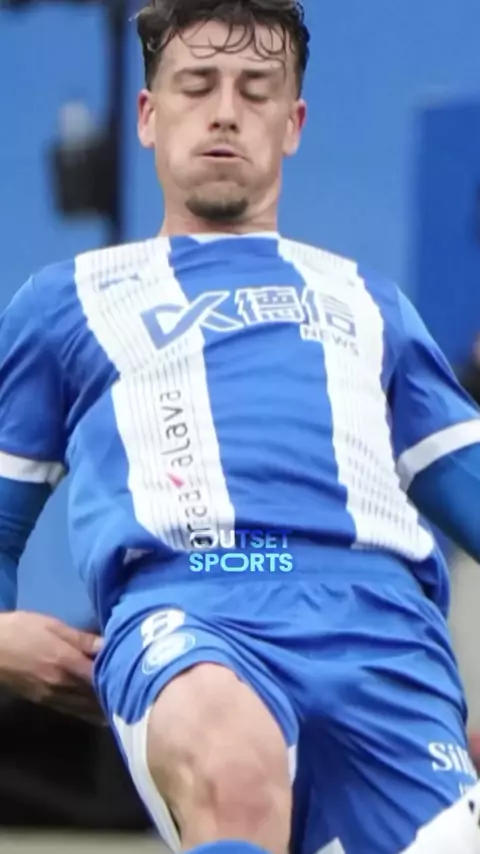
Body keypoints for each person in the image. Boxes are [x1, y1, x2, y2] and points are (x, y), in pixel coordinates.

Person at [2, 0, 480, 852]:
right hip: (194, 600)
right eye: (197, 86)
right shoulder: (63, 302)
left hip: (384, 629)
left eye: (256, 90)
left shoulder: (372, 304)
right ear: (148, 116)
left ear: (293, 125)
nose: (225, 111)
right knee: (235, 767)